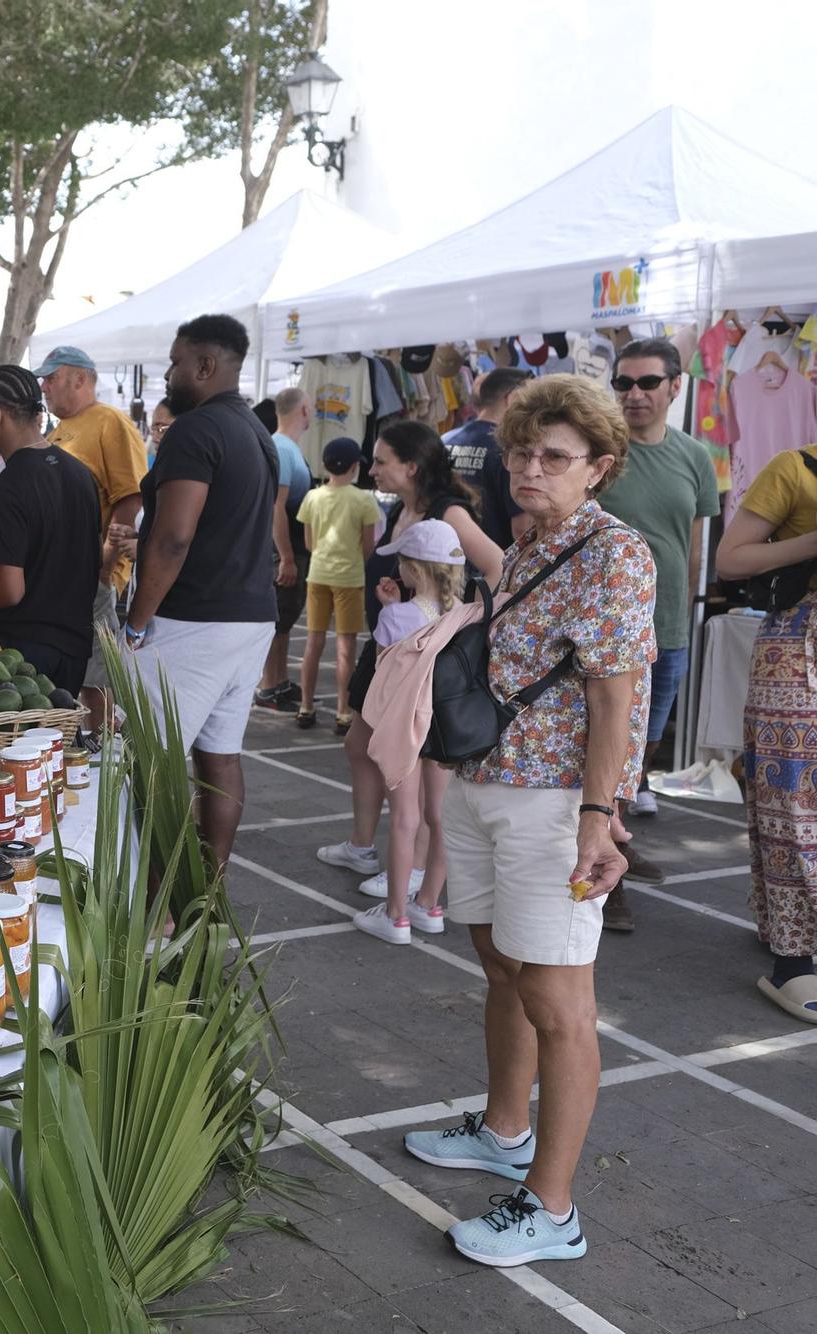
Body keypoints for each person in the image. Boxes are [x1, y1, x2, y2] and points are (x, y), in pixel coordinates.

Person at [404, 374, 654, 1268]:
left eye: (554, 456)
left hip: (554, 801)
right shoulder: (533, 535)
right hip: (485, 779)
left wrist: (599, 816)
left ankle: (552, 1210)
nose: (530, 467)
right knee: (501, 965)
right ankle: (505, 1130)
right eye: (521, 451)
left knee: (559, 1001)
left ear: (601, 467)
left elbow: (615, 700)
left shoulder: (614, 554)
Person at [120, 316, 284, 868]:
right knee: (219, 757)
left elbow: (173, 537)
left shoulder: (195, 430)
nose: (169, 372)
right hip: (250, 615)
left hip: (193, 621)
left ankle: (156, 903)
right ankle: (205, 893)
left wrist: (137, 621)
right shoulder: (256, 432)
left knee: (150, 763)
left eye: (175, 361)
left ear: (205, 366)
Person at [319, 421, 501, 885]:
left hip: (420, 660)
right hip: (387, 649)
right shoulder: (402, 507)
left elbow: (499, 567)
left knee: (412, 768)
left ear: (412, 466)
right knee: (360, 746)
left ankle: (414, 870)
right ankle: (362, 847)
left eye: (381, 461)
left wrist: (457, 627)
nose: (373, 469)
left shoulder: (447, 513)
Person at [600, 339, 717, 920]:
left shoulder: (695, 456)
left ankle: (616, 841)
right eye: (623, 384)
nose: (635, 394)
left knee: (639, 752)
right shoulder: (601, 451)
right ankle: (605, 871)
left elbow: (693, 545)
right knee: (604, 747)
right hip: (602, 633)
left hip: (667, 627)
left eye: (647, 383)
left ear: (676, 386)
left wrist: (686, 612)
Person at [710, 443, 817, 1023]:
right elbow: (730, 559)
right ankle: (793, 954)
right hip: (798, 643)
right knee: (788, 795)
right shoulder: (797, 468)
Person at [352, 519, 467, 944]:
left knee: (405, 818)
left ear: (414, 570)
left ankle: (396, 915)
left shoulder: (397, 617)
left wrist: (388, 610)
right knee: (441, 818)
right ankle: (429, 906)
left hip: (405, 724)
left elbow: (386, 669)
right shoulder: (463, 614)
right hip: (445, 727)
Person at [0, 365, 101, 693]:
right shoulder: (80, 474)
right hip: (74, 645)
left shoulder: (8, 486)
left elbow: (11, 590)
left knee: (17, 745)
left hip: (24, 650)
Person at [37, 345, 149, 719]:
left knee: (96, 682)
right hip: (58, 575)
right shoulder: (61, 428)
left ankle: (108, 758)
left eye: (51, 378)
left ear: (79, 379)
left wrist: (105, 565)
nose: (43, 386)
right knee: (68, 678)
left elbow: (130, 497)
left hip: (90, 575)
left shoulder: (109, 421)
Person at [295, 439, 382, 733]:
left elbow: (308, 542)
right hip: (350, 578)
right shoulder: (364, 500)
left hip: (317, 574)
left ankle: (305, 707)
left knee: (313, 643)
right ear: (356, 466)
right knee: (345, 647)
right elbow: (368, 547)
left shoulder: (312, 497)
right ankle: (343, 712)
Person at [258, 388, 315, 709]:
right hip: (284, 546)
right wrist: (287, 558)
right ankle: (269, 685)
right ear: (304, 410)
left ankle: (277, 681)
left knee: (285, 617)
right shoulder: (281, 447)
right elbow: (275, 507)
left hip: (288, 545)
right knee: (277, 617)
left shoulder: (285, 447)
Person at [442, 368, 531, 550]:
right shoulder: (510, 448)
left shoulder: (444, 441)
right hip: (493, 565)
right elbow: (522, 528)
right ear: (513, 398)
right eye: (531, 399)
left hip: (442, 559)